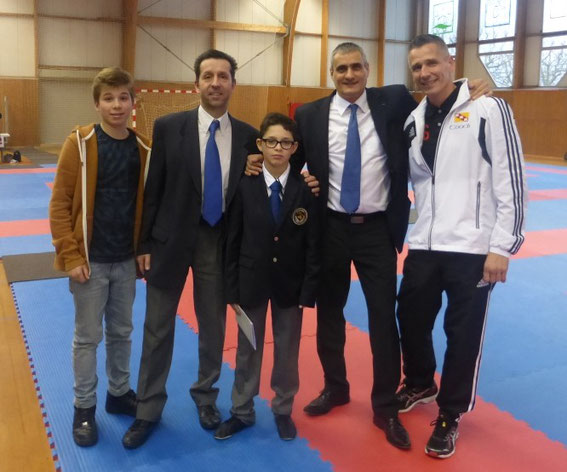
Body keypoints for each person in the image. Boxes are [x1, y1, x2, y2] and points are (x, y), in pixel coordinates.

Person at [246, 42, 491, 450]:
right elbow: (287, 158)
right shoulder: (309, 115)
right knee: (329, 316)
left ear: (368, 68)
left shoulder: (393, 98)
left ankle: (384, 406)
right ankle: (335, 387)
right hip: (329, 228)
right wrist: (253, 161)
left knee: (382, 318)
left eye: (356, 67)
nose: (349, 75)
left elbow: (436, 94)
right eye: (340, 68)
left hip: (377, 229)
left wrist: (469, 85)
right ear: (331, 72)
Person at [395, 34, 527, 459]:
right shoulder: (413, 120)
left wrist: (503, 246)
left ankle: (451, 414)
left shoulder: (488, 109)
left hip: (473, 246)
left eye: (431, 63)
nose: (425, 73)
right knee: (410, 316)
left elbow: (511, 180)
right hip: (425, 242)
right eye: (416, 66)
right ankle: (419, 381)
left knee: (462, 334)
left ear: (450, 63)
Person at [121, 49, 259, 449]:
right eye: (208, 76)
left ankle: (205, 397)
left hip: (219, 241)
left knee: (213, 326)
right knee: (158, 326)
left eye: (223, 76)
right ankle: (147, 408)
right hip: (169, 240)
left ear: (233, 83)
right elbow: (154, 189)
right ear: (195, 83)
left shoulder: (250, 135)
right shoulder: (168, 127)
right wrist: (144, 242)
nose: (215, 82)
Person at [49, 67, 151, 447]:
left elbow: (146, 206)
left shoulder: (142, 148)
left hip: (126, 261)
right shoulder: (79, 143)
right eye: (108, 98)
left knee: (122, 333)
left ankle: (119, 392)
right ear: (97, 103)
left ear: (132, 103)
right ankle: (84, 407)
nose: (116, 105)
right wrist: (70, 254)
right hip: (89, 263)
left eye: (123, 97)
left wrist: (144, 248)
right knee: (88, 338)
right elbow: (60, 203)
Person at [215, 112, 319, 441]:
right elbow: (232, 241)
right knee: (248, 349)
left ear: (294, 148)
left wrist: (308, 291)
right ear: (260, 144)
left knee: (287, 350)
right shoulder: (245, 186)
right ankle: (241, 410)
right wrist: (231, 289)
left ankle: (283, 408)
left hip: (291, 284)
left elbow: (314, 245)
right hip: (251, 282)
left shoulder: (306, 189)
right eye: (271, 141)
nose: (278, 148)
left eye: (285, 142)